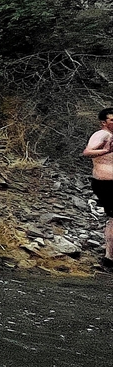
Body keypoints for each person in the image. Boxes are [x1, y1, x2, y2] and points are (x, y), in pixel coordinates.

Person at [82, 107, 113, 271]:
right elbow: (87, 152)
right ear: (104, 123)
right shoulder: (102, 135)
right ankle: (109, 258)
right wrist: (105, 150)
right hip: (106, 183)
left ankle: (109, 257)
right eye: (112, 120)